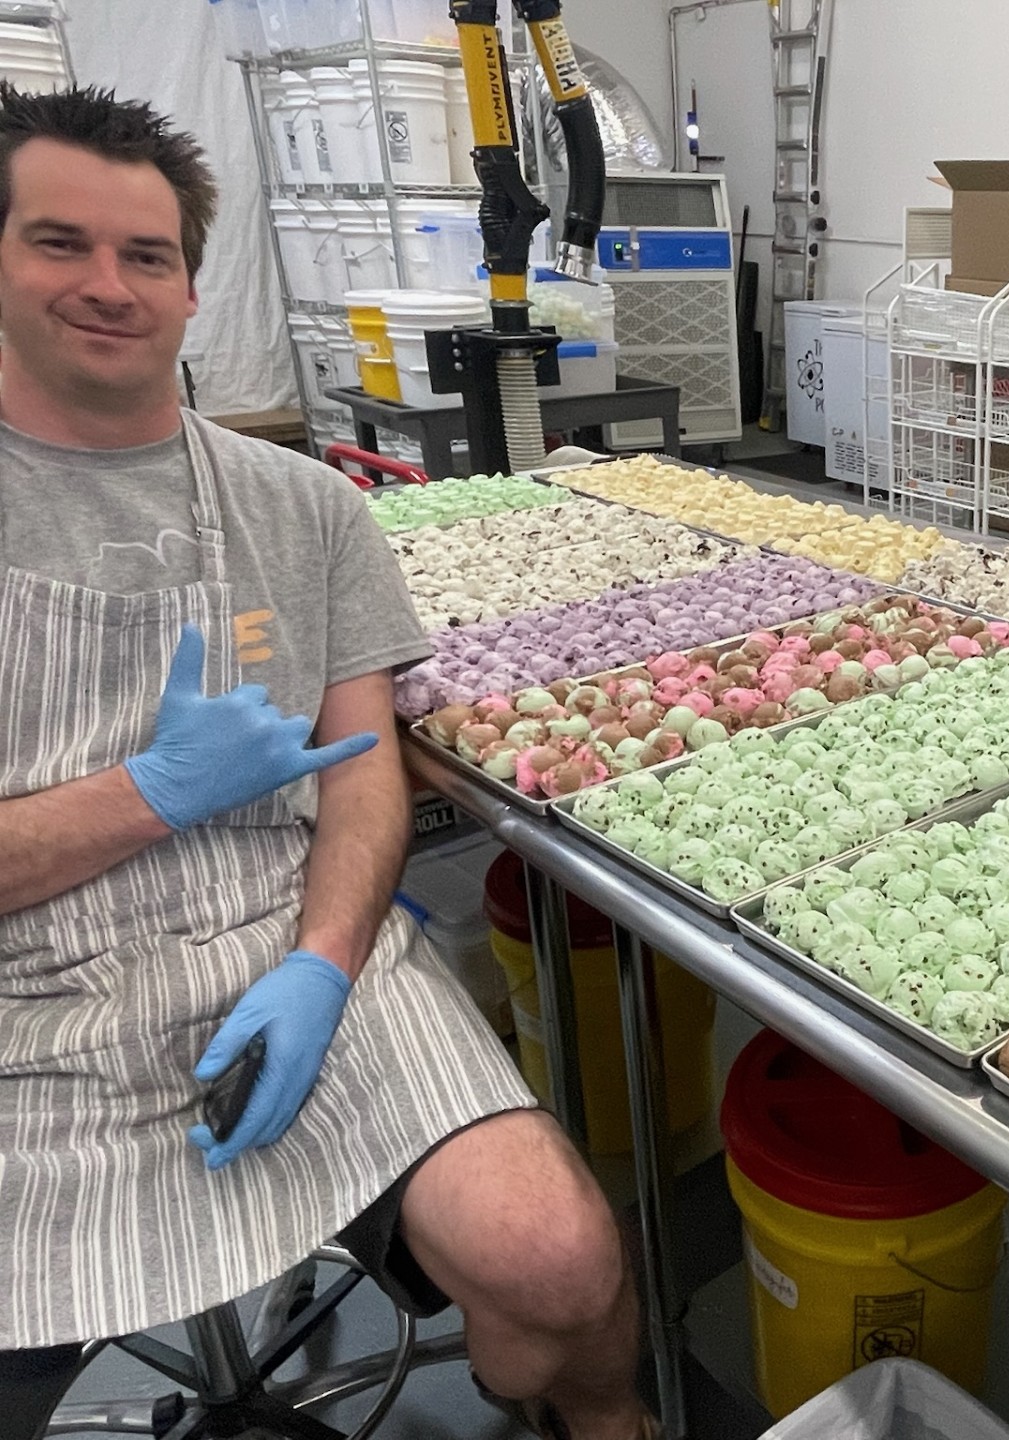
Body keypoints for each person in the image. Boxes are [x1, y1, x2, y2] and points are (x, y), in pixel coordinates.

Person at [0, 86, 656, 1440]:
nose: (109, 285)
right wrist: (147, 795)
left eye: (148, 255)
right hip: (29, 1009)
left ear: (191, 287)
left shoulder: (305, 509)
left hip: (287, 936)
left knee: (562, 1261)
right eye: (60, 243)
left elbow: (360, 774)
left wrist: (322, 964)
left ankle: (608, 1422)